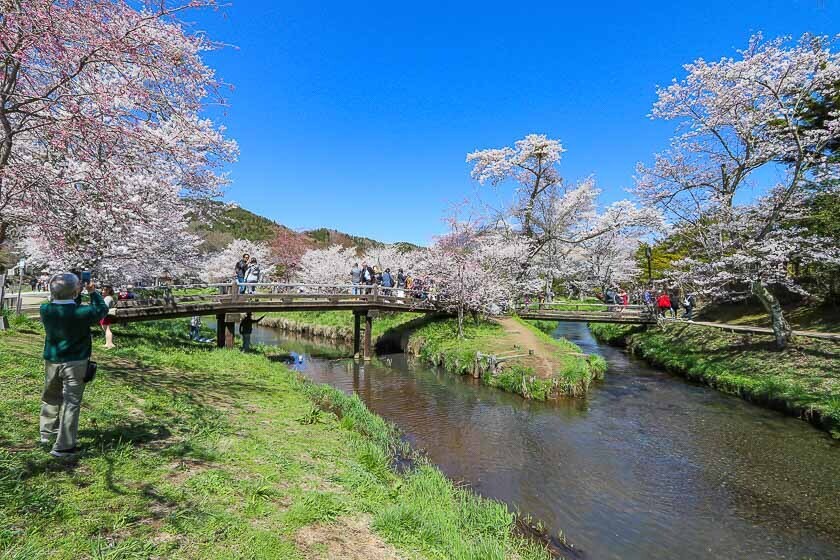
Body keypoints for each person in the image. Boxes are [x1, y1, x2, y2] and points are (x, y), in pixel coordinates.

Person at [39, 273, 109, 457]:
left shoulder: (45, 309)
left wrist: (74, 292)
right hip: (75, 362)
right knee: (71, 403)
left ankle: (47, 432)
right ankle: (64, 446)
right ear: (77, 291)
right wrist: (92, 292)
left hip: (52, 359)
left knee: (50, 396)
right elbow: (102, 309)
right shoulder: (83, 313)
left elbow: (64, 302)